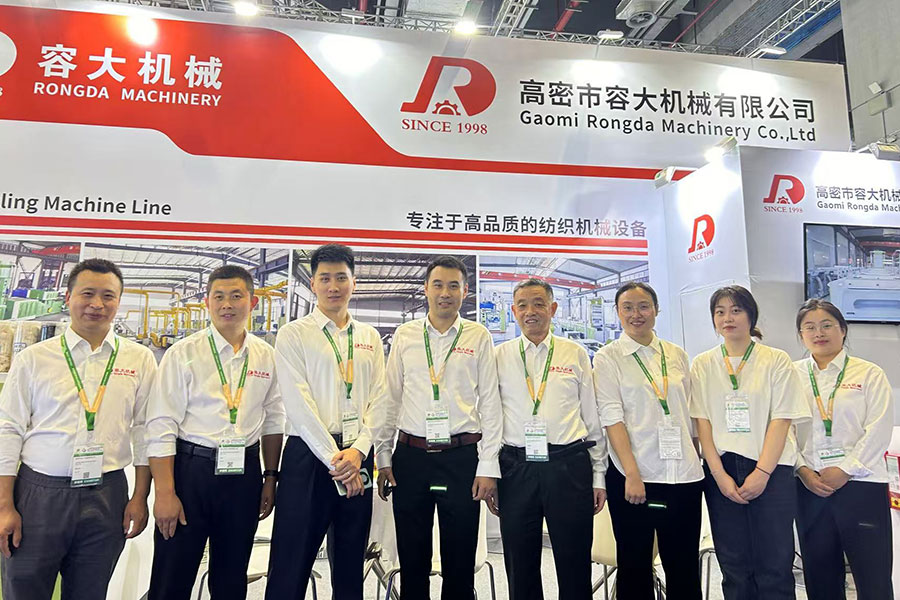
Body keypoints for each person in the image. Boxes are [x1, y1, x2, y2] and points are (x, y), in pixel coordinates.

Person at [0, 258, 157, 600]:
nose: (97, 304)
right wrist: (4, 505)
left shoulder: (139, 359)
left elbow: (145, 430)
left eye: (108, 296)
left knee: (90, 591)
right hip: (39, 494)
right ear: (69, 297)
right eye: (87, 293)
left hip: (108, 493)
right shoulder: (34, 358)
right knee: (24, 588)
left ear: (119, 301)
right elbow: (8, 430)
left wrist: (140, 497)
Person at [145, 265, 284, 600]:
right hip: (191, 472)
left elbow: (273, 419)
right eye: (219, 297)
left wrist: (269, 477)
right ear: (207, 302)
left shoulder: (266, 356)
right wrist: (164, 492)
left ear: (252, 302)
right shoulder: (183, 353)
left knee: (231, 577)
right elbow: (161, 424)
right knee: (172, 575)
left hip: (244, 475)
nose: (227, 304)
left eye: (236, 296)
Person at [375, 255, 502, 600]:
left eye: (453, 286)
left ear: (465, 291)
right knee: (412, 555)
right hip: (411, 457)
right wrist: (384, 457)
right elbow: (390, 398)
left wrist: (488, 466)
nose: (445, 293)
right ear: (426, 289)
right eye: (438, 285)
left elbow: (491, 404)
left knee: (459, 557)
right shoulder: (406, 335)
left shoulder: (478, 336)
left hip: (461, 458)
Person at [266, 244, 387, 600]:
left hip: (356, 455)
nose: (333, 286)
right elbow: (298, 404)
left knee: (350, 563)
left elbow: (379, 399)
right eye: (325, 278)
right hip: (309, 457)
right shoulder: (294, 334)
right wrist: (337, 460)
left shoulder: (368, 337)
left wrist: (359, 451)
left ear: (353, 282)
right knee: (292, 562)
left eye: (341, 278)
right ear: (313, 284)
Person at [689, 285, 810, 600]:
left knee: (775, 564)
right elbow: (702, 422)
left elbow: (781, 419)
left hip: (772, 468)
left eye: (736, 310)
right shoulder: (703, 363)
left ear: (751, 316)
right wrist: (718, 475)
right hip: (723, 469)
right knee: (734, 565)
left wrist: (763, 473)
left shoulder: (776, 359)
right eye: (720, 312)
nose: (727, 318)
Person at [494, 278, 606, 600]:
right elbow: (489, 415)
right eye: (523, 305)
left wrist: (598, 475)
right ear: (514, 311)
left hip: (568, 465)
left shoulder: (575, 353)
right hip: (516, 467)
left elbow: (591, 416)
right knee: (519, 562)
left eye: (539, 304)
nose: (531, 311)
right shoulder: (499, 355)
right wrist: (489, 470)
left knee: (574, 561)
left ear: (553, 309)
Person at [593, 282, 704, 600]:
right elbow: (612, 418)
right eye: (627, 307)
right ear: (617, 313)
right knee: (635, 566)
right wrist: (632, 473)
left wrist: (696, 457)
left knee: (683, 566)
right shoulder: (608, 358)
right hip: (634, 476)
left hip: (683, 476)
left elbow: (690, 413)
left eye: (643, 306)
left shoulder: (676, 354)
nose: (636, 314)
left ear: (656, 309)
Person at [793, 299, 893, 600]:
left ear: (843, 329)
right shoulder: (792, 375)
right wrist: (803, 470)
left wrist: (846, 469)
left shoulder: (868, 373)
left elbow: (878, 429)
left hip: (862, 485)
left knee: (873, 577)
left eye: (827, 325)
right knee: (820, 577)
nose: (819, 333)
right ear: (801, 335)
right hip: (809, 487)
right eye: (809, 327)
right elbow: (783, 429)